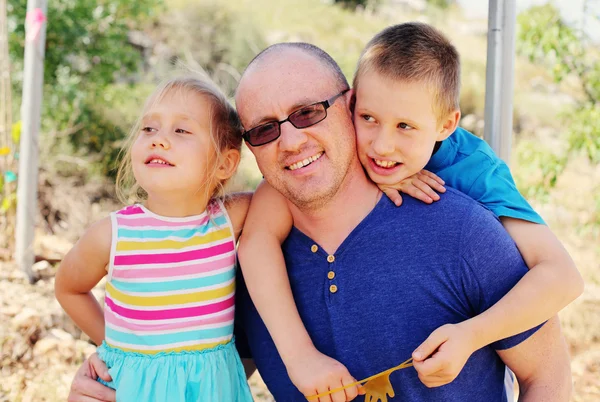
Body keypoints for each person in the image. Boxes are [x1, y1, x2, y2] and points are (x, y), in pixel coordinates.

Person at [67, 42, 573, 402]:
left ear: (352, 106)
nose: (289, 142)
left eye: (308, 113)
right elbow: (205, 369)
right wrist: (112, 379)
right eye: (264, 130)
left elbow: (549, 380)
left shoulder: (459, 226)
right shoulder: (243, 261)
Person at [236, 23, 582, 399]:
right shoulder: (257, 254)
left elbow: (555, 334)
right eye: (263, 130)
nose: (384, 147)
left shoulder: (469, 201)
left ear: (344, 103)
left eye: (306, 113)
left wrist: (473, 333)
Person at [55, 75, 254, 402]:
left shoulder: (228, 221)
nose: (158, 139)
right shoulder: (113, 234)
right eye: (149, 128)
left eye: (181, 130)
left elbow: (280, 194)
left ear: (224, 163)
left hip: (213, 390)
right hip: (134, 390)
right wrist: (116, 344)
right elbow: (68, 286)